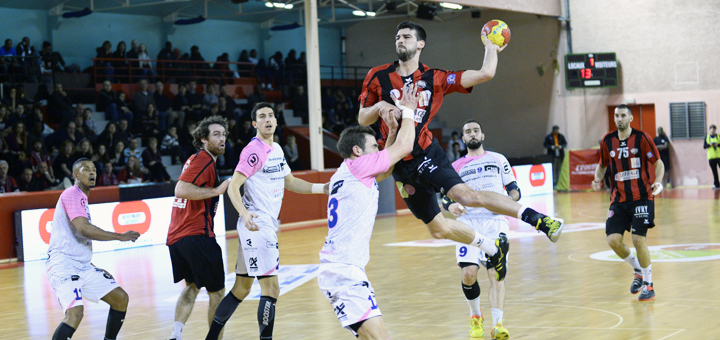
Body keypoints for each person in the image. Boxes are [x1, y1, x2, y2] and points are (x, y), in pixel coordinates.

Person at [357, 21, 563, 277]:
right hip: (399, 162)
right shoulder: (378, 76)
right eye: (397, 37)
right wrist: (378, 108)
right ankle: (490, 248)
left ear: (420, 44)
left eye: (407, 37)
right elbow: (362, 118)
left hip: (425, 154)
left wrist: (490, 46)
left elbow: (486, 73)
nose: (400, 40)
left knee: (466, 196)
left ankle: (539, 220)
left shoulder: (436, 78)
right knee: (439, 230)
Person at [205, 103, 329, 340]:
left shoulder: (278, 149)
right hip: (257, 224)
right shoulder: (254, 151)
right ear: (255, 124)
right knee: (271, 289)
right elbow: (233, 186)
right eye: (262, 117)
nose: (268, 119)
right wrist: (244, 212)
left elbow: (290, 182)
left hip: (258, 226)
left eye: (271, 115)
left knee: (241, 289)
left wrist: (321, 188)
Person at [318, 84, 418, 340]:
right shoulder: (359, 165)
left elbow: (385, 169)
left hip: (340, 268)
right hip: (344, 272)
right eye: (375, 146)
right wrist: (408, 112)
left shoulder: (346, 170)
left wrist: (392, 130)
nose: (379, 150)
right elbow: (405, 147)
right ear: (358, 151)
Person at [45, 158, 140, 340]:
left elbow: (76, 238)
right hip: (63, 264)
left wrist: (92, 266)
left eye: (94, 169)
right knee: (75, 314)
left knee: (120, 298)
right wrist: (120, 236)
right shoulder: (72, 194)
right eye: (86, 169)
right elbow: (83, 228)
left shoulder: (82, 198)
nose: (92, 173)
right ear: (75, 175)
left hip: (82, 265)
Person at [441, 120, 516, 339]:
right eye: (467, 132)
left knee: (495, 274)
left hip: (495, 220)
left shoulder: (498, 159)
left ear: (482, 135)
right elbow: (445, 197)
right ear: (462, 139)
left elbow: (514, 190)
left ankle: (498, 324)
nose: (472, 134)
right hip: (468, 222)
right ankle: (476, 317)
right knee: (468, 273)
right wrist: (450, 205)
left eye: (475, 131)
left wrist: (508, 202)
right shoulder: (455, 166)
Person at [167, 115, 231, 340]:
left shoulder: (196, 159)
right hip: (197, 235)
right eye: (216, 134)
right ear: (203, 139)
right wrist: (216, 191)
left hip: (177, 238)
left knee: (192, 286)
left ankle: (176, 334)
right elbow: (180, 189)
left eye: (224, 134)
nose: (222, 138)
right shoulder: (204, 159)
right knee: (218, 293)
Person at [592, 104, 665, 302]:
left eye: (623, 115)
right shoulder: (608, 141)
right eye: (617, 116)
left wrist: (658, 181)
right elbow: (602, 166)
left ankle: (649, 285)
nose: (619, 119)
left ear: (631, 118)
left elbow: (658, 163)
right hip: (619, 199)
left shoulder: (642, 138)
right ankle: (638, 271)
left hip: (642, 196)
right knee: (613, 240)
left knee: (638, 239)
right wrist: (597, 179)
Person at [704, 124, 720, 189]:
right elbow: (704, 146)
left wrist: (717, 144)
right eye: (711, 129)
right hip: (711, 157)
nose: (712, 131)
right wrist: (709, 145)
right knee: (714, 172)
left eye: (714, 129)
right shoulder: (707, 137)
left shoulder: (718, 136)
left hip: (719, 156)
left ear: (715, 130)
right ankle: (717, 184)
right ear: (709, 130)